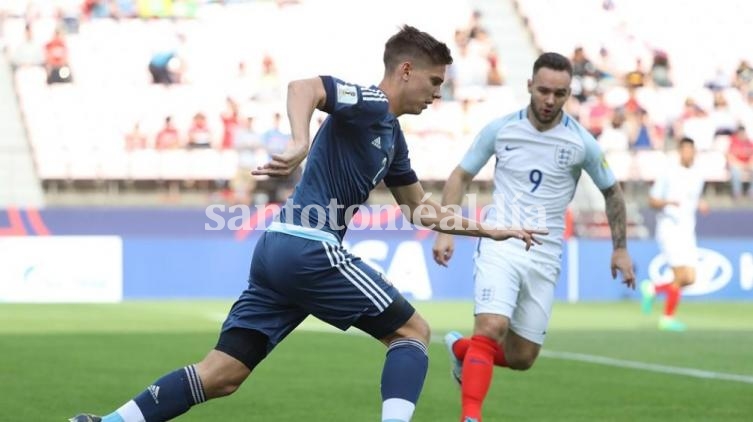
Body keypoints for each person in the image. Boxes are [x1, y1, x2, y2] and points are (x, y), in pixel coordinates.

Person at [70, 25, 546, 422]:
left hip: (278, 251)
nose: (438, 94)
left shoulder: (393, 139)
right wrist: (299, 140)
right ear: (405, 71)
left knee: (223, 375)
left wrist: (488, 228)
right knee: (412, 334)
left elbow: (421, 210)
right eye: (434, 81)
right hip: (309, 247)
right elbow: (305, 87)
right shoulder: (371, 103)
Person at [432, 52, 636, 422]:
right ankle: (470, 416)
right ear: (529, 86)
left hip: (546, 253)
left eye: (559, 94)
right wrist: (447, 230)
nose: (549, 100)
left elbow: (612, 191)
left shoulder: (581, 142)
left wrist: (620, 249)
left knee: (522, 357)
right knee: (491, 327)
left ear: (569, 92)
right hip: (500, 243)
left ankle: (463, 350)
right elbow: (460, 175)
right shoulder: (501, 129)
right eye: (543, 91)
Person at [640, 137, 708, 332]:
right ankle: (667, 318)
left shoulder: (698, 175)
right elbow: (652, 201)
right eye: (684, 150)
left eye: (691, 150)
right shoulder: (668, 174)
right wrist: (668, 203)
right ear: (680, 152)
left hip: (688, 230)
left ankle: (653, 288)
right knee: (680, 275)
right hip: (670, 228)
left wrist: (700, 203)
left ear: (694, 152)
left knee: (690, 278)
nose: (688, 154)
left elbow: (692, 198)